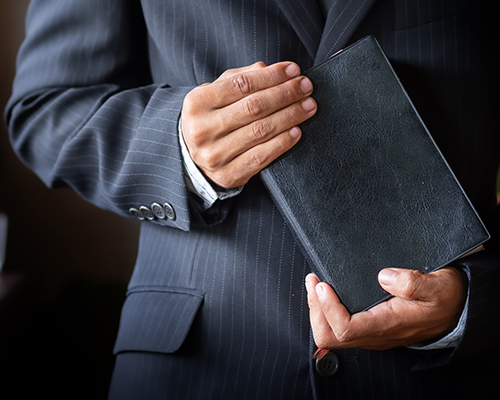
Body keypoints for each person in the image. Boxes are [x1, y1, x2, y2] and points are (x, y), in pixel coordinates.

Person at [5, 0, 499, 399]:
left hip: (445, 371)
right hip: (199, 368)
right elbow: (46, 110)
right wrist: (177, 144)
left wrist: (473, 307)